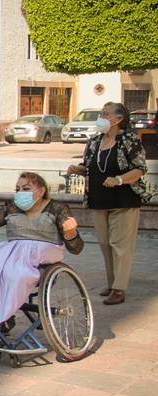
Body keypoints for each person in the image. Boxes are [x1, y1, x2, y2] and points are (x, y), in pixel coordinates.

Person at [0, 172, 83, 346]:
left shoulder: (57, 209)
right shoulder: (12, 208)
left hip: (43, 253)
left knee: (16, 274)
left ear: (41, 190)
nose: (20, 193)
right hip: (12, 252)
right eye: (18, 189)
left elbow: (76, 248)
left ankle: (1, 316)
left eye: (26, 189)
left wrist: (71, 233)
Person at [67, 102, 151, 305]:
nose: (101, 117)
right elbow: (89, 166)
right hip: (98, 199)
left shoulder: (129, 140)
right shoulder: (95, 140)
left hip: (123, 199)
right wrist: (78, 169)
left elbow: (139, 168)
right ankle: (112, 283)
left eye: (105, 114)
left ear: (119, 118)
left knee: (120, 245)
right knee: (105, 245)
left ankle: (119, 289)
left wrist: (119, 179)